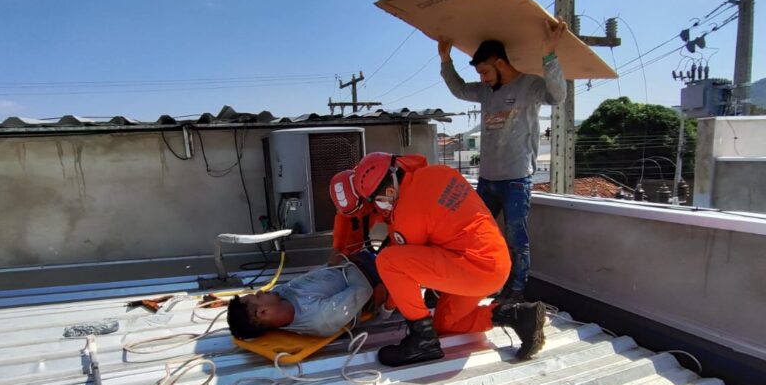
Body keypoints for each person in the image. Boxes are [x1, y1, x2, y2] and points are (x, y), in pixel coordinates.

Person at [352, 152, 548, 367]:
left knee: (388, 260)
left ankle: (422, 341)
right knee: (445, 323)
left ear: (389, 192)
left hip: (473, 269)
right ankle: (517, 316)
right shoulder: (438, 172)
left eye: (378, 201)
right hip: (496, 263)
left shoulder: (407, 213)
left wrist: (387, 308)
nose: (380, 207)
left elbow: (404, 266)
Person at [438, 18, 568, 304]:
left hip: (516, 179)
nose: (482, 79)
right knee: (469, 233)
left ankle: (517, 290)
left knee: (515, 238)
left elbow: (558, 96)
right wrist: (446, 61)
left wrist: (549, 54)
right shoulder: (486, 92)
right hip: (487, 179)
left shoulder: (529, 86)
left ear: (499, 62)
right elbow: (459, 89)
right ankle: (466, 282)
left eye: (485, 72)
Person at [227, 250, 381, 339]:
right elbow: (363, 289)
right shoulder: (319, 318)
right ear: (263, 312)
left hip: (351, 259)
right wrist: (347, 263)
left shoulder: (279, 296)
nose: (261, 291)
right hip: (374, 273)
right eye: (258, 296)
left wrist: (332, 263)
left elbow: (316, 276)